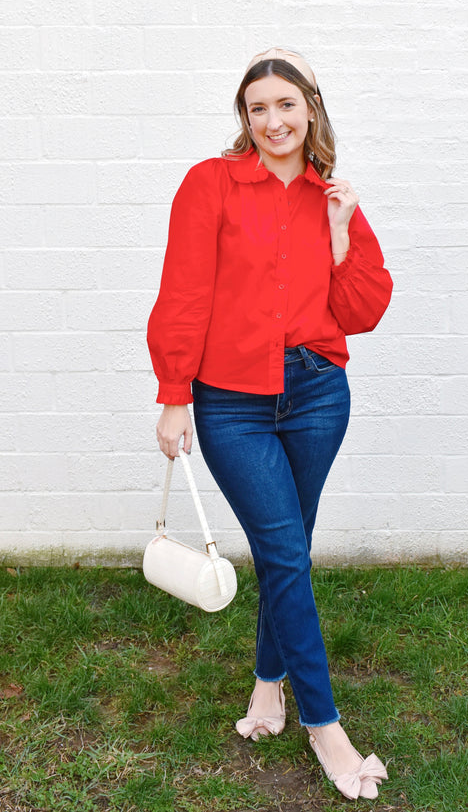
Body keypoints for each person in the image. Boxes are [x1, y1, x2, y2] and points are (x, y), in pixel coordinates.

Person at [147, 47, 393, 801]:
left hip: (318, 394)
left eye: (287, 104)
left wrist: (344, 233)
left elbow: (362, 311)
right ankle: (328, 731)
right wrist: (174, 390)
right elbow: (184, 291)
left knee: (286, 550)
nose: (274, 120)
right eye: (258, 108)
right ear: (244, 118)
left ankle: (267, 687)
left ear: (310, 109)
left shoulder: (332, 198)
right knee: (286, 553)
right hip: (233, 402)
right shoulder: (210, 184)